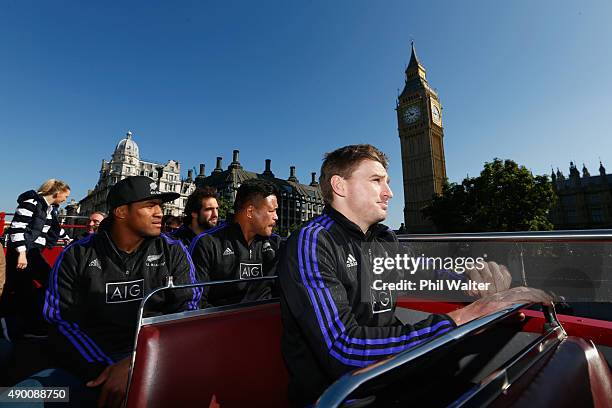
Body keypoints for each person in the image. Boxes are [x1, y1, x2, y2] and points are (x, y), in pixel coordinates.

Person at [279, 144, 551, 405]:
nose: (389, 193)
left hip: (397, 381)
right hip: (342, 398)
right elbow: (345, 351)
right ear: (340, 186)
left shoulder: (383, 240)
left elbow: (429, 272)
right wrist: (462, 318)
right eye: (376, 180)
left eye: (388, 182)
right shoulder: (313, 242)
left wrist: (472, 283)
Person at [16, 176, 202, 407]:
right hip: (86, 368)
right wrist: (108, 370)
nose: (159, 213)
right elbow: (60, 321)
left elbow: (189, 310)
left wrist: (138, 362)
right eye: (149, 205)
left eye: (160, 206)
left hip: (156, 362)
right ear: (122, 212)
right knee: (16, 399)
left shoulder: (173, 251)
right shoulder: (77, 254)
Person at [190, 179, 281, 307]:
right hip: (221, 324)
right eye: (271, 211)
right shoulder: (207, 243)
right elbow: (195, 301)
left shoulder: (276, 244)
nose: (276, 217)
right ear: (250, 212)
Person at [1, 179, 71, 338]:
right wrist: (22, 253)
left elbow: (56, 230)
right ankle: (21, 324)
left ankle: (24, 323)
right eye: (65, 196)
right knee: (39, 283)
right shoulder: (31, 202)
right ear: (57, 193)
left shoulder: (50, 209)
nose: (65, 200)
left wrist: (71, 242)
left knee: (25, 286)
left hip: (33, 251)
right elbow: (17, 227)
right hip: (24, 251)